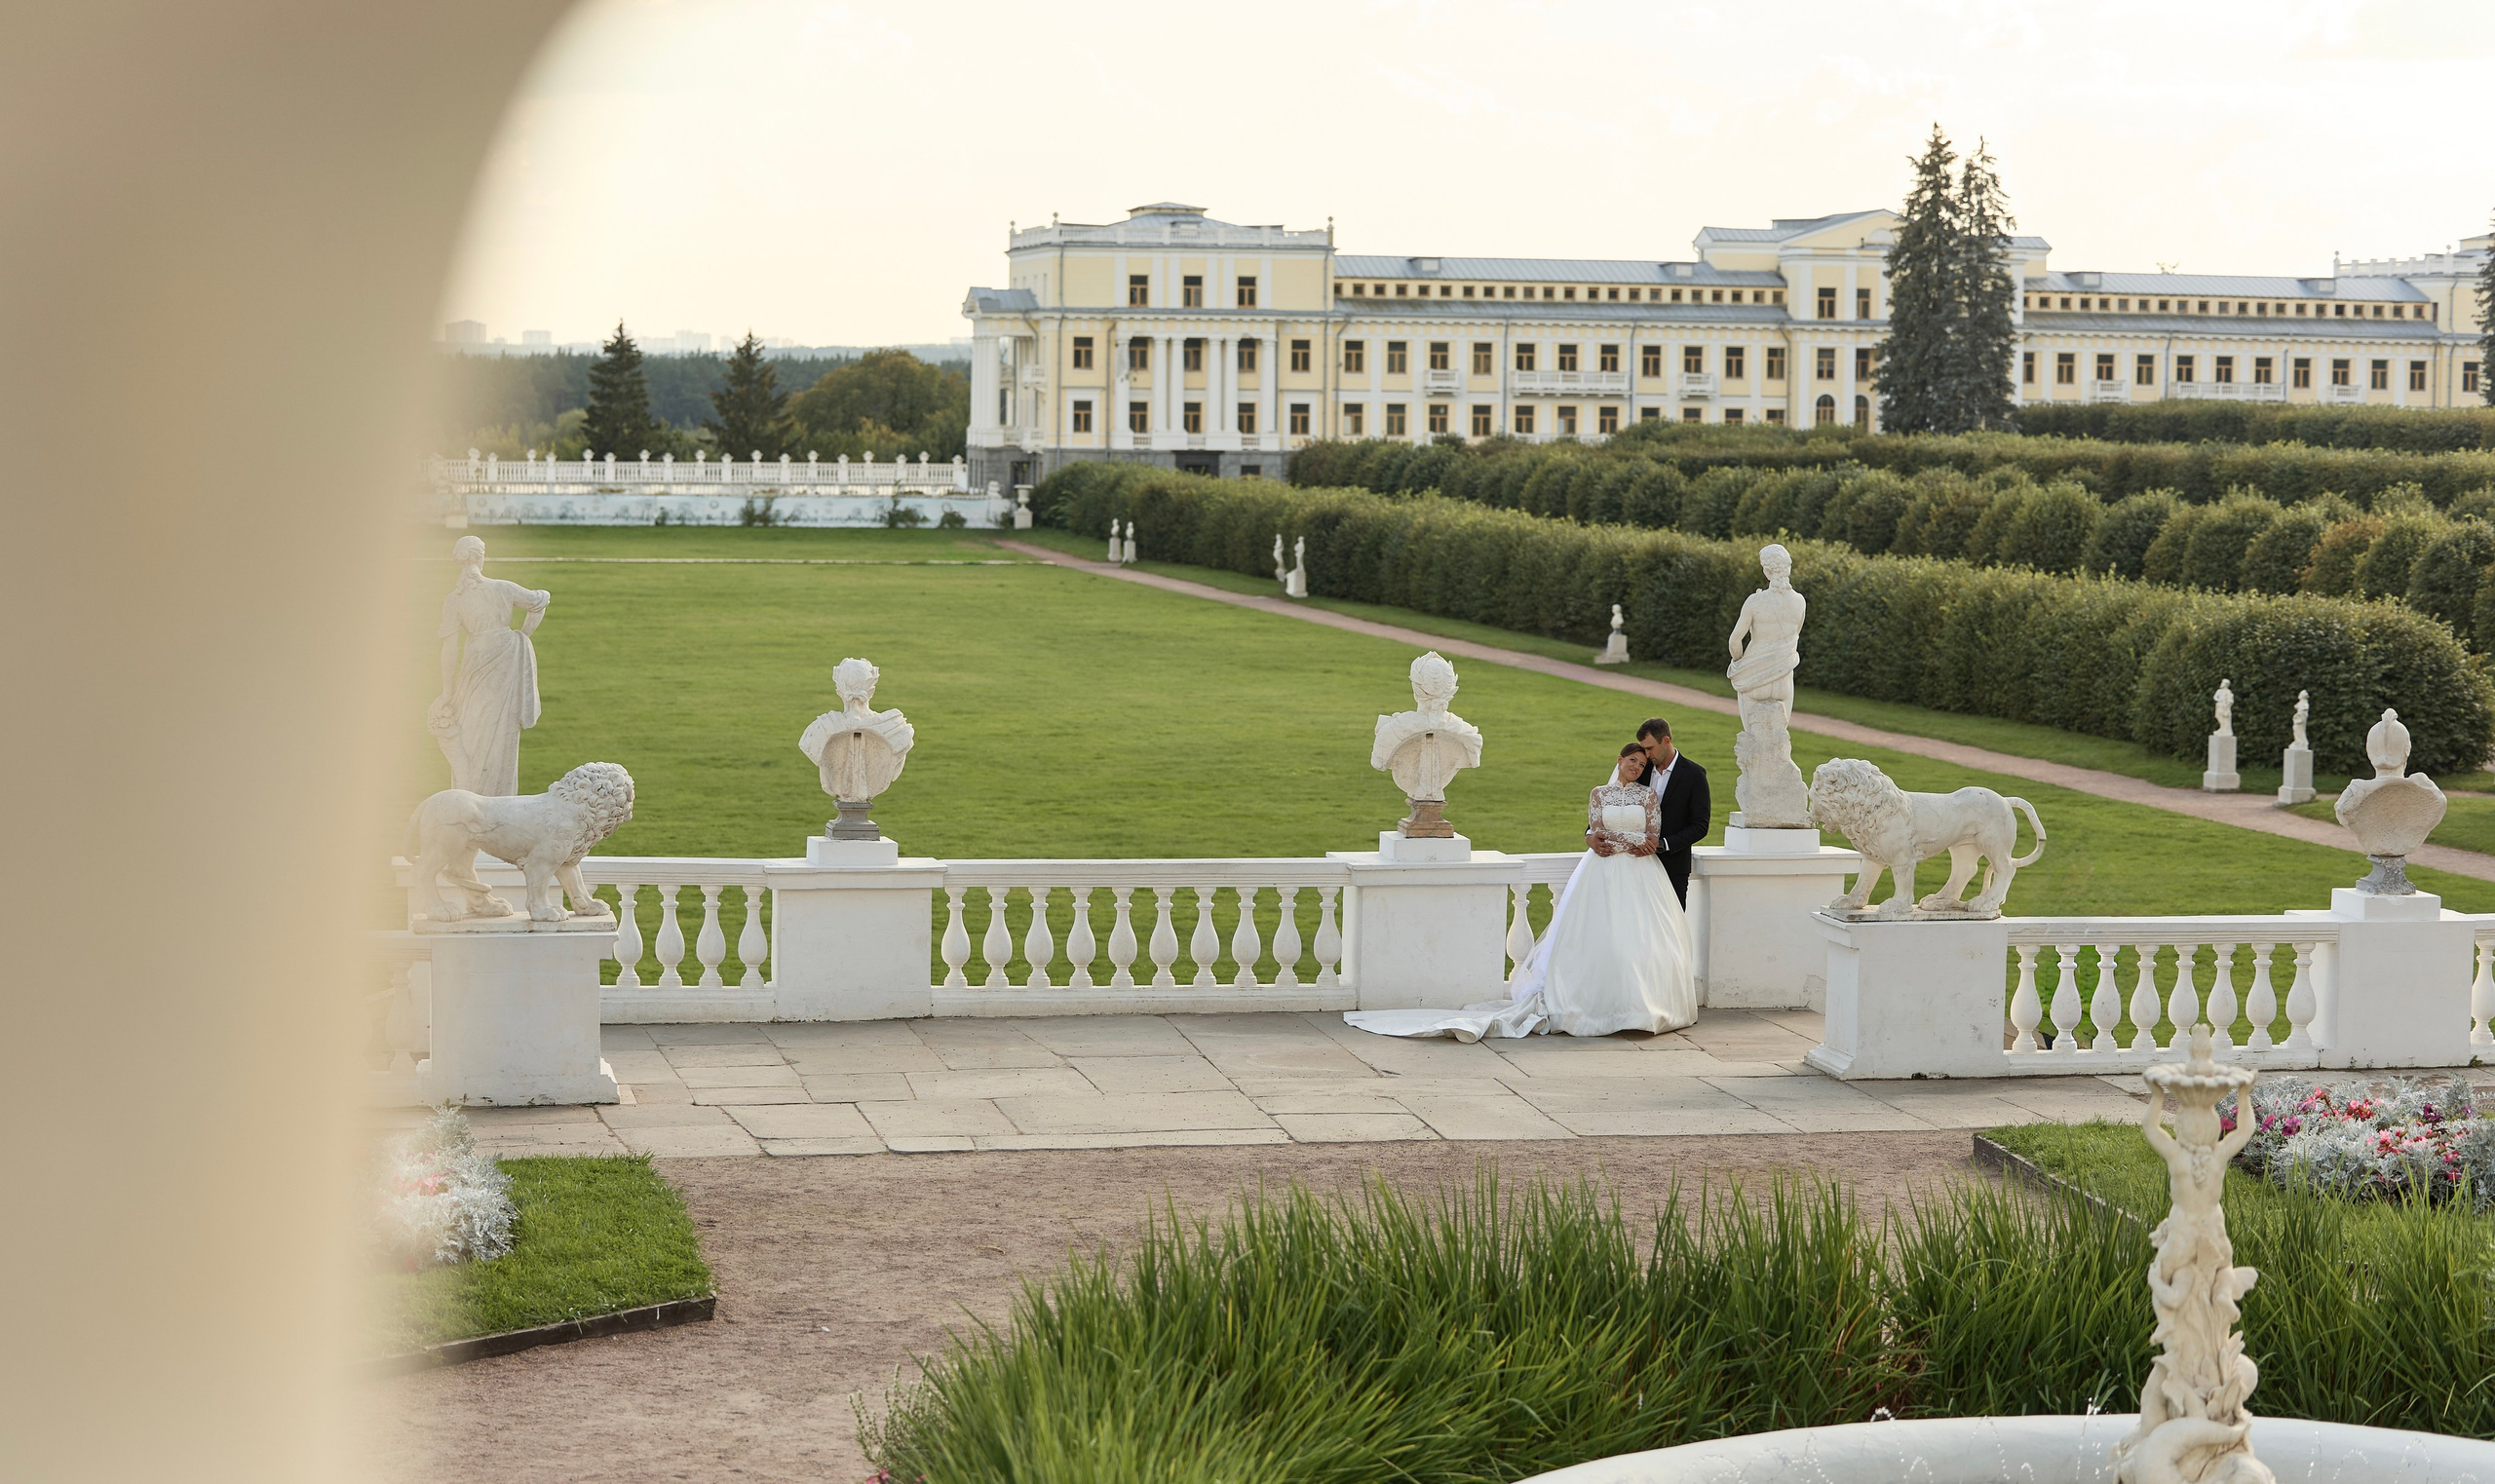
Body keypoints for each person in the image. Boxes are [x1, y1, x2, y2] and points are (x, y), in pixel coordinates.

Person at [1345, 742, 1699, 1042]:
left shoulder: (1648, 796)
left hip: (1640, 875)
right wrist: (1600, 839)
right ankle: (1596, 1008)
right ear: (1619, 761)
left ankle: (1640, 1009)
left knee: (1638, 941)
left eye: (1642, 764)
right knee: (1596, 938)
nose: (1637, 767)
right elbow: (1595, 830)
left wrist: (1614, 841)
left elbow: (1651, 835)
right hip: (1602, 873)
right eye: (1632, 761)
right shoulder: (1599, 794)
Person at [427, 535, 549, 798]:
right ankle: (498, 799)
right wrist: (522, 636)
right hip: (505, 658)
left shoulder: (454, 600)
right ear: (481, 557)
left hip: (475, 664)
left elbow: (449, 651)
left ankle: (471, 799)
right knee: (503, 730)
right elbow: (540, 601)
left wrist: (448, 692)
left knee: (471, 732)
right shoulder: (502, 588)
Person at [1593, 718, 1709, 905]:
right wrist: (1589, 836)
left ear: (1666, 741)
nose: (1646, 755)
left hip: (1672, 867)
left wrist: (1662, 844)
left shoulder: (1694, 775)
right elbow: (1611, 805)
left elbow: (1700, 826)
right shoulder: (1640, 769)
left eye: (1650, 748)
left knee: (1669, 921)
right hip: (1632, 866)